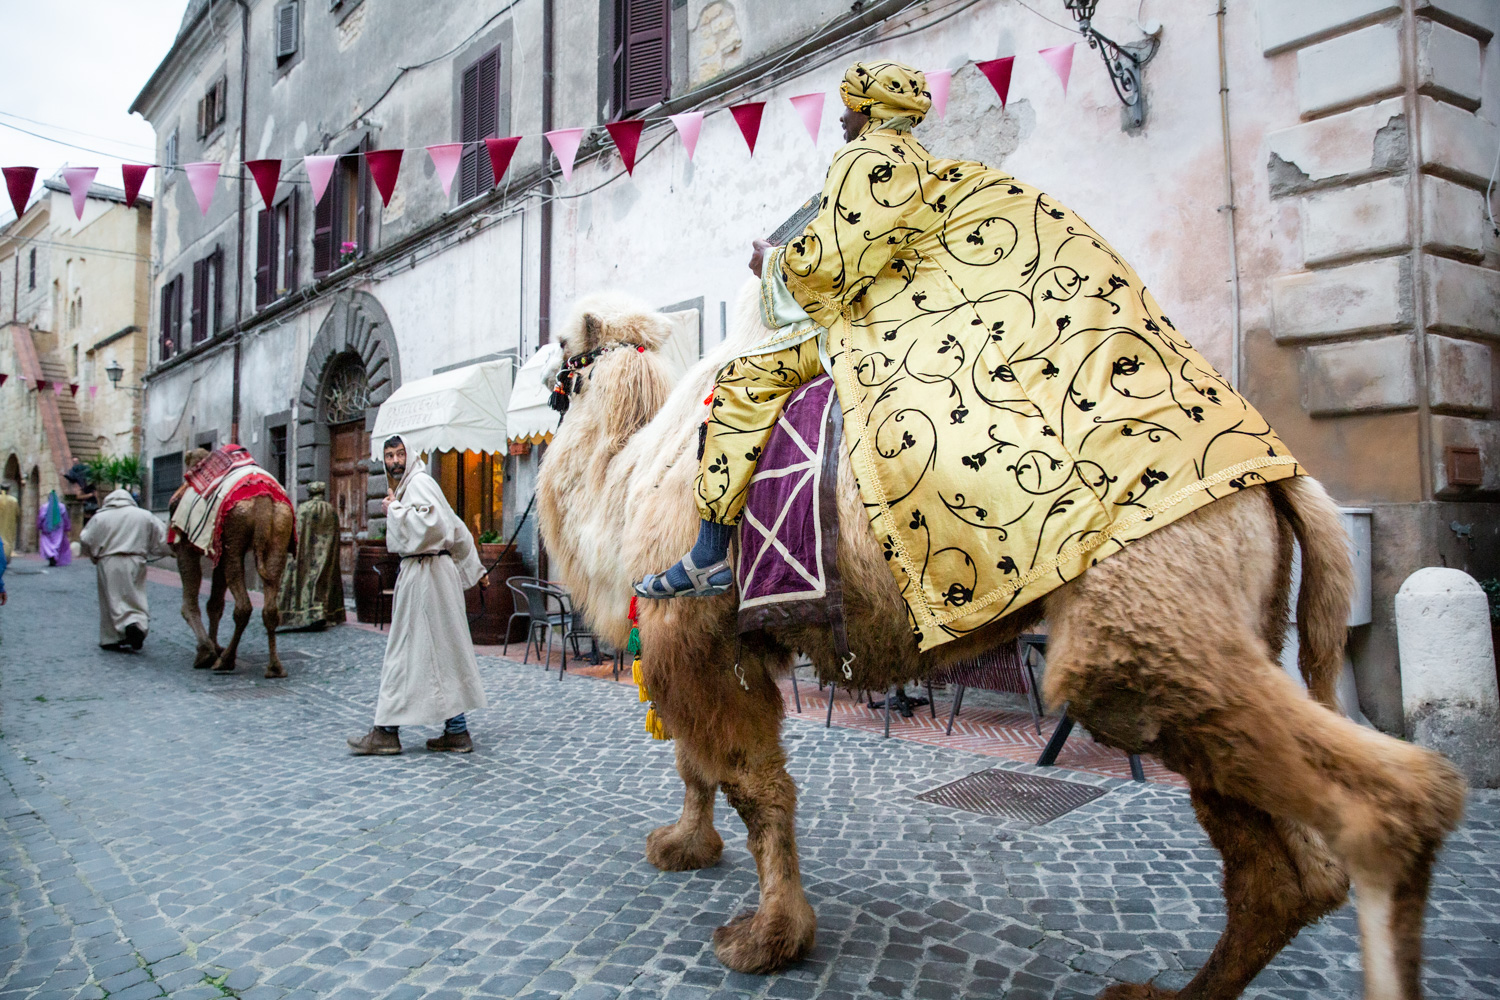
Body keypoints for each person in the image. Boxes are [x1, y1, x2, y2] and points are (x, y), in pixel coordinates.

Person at [636, 61, 1299, 653]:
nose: (840, 121)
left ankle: (710, 550)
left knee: (746, 378)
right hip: (950, 321)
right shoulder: (944, 172)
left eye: (847, 109)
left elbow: (830, 266)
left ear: (866, 112)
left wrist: (771, 262)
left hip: (879, 329)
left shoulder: (864, 161)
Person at [348, 436, 489, 755]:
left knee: (403, 650)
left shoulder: (419, 483)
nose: (395, 461)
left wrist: (393, 510)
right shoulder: (415, 486)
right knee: (442, 650)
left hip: (426, 575)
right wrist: (476, 570)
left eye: (400, 454)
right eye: (389, 456)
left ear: (410, 456)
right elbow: (456, 525)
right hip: (430, 575)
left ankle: (386, 732)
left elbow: (436, 525)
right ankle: (456, 731)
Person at [79, 488, 170, 651]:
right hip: (136, 559)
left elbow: (86, 539)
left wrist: (93, 555)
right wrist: (167, 552)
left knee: (111, 598)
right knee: (135, 595)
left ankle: (111, 637)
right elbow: (162, 538)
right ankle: (136, 625)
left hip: (108, 561)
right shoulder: (144, 515)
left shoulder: (99, 517)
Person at [277, 481, 347, 631]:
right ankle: (326, 612)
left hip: (306, 553)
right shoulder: (331, 510)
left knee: (304, 579)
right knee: (323, 579)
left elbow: (297, 533)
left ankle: (303, 613)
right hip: (325, 552)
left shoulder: (304, 509)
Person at [37, 490, 72, 567]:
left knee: (47, 542)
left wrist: (39, 526)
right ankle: (55, 555)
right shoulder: (61, 506)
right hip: (58, 528)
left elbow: (41, 517)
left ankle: (51, 555)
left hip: (46, 528)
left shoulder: (44, 507)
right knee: (57, 542)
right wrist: (67, 527)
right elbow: (65, 517)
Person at [0, 483, 18, 559]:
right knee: (7, 542)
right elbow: (17, 514)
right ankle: (5, 558)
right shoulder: (13, 500)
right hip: (9, 525)